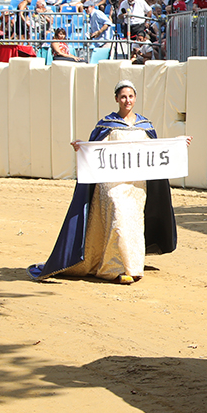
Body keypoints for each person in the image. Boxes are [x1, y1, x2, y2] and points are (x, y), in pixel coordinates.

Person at [29, 81, 181, 283]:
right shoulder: (107, 125)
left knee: (133, 223)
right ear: (117, 99)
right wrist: (82, 146)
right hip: (111, 184)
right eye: (123, 97)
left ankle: (132, 267)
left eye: (130, 96)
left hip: (136, 185)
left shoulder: (145, 125)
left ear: (135, 98)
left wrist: (178, 144)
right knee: (118, 216)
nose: (127, 100)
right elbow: (95, 149)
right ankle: (112, 269)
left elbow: (155, 151)